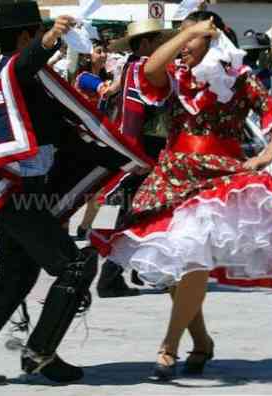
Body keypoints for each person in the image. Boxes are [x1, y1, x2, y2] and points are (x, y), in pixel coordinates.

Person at [95, 11, 272, 381]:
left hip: (220, 179)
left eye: (189, 39)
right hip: (173, 176)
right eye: (179, 38)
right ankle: (203, 341)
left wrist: (267, 155)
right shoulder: (177, 75)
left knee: (192, 260)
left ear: (212, 39)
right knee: (176, 265)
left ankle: (169, 347)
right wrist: (187, 32)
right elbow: (148, 72)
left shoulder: (240, 79)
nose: (180, 47)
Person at [0, 1, 150, 386]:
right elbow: (25, 64)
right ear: (27, 37)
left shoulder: (29, 79)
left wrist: (125, 159)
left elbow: (66, 136)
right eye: (37, 33)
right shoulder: (15, 70)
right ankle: (40, 354)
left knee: (17, 276)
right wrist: (52, 39)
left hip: (23, 191)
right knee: (75, 265)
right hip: (17, 192)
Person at [91, 19, 176, 298]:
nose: (162, 46)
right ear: (144, 44)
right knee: (136, 214)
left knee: (131, 213)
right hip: (143, 150)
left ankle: (130, 271)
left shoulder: (130, 66)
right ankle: (109, 275)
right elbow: (159, 104)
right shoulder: (144, 68)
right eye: (157, 41)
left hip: (133, 149)